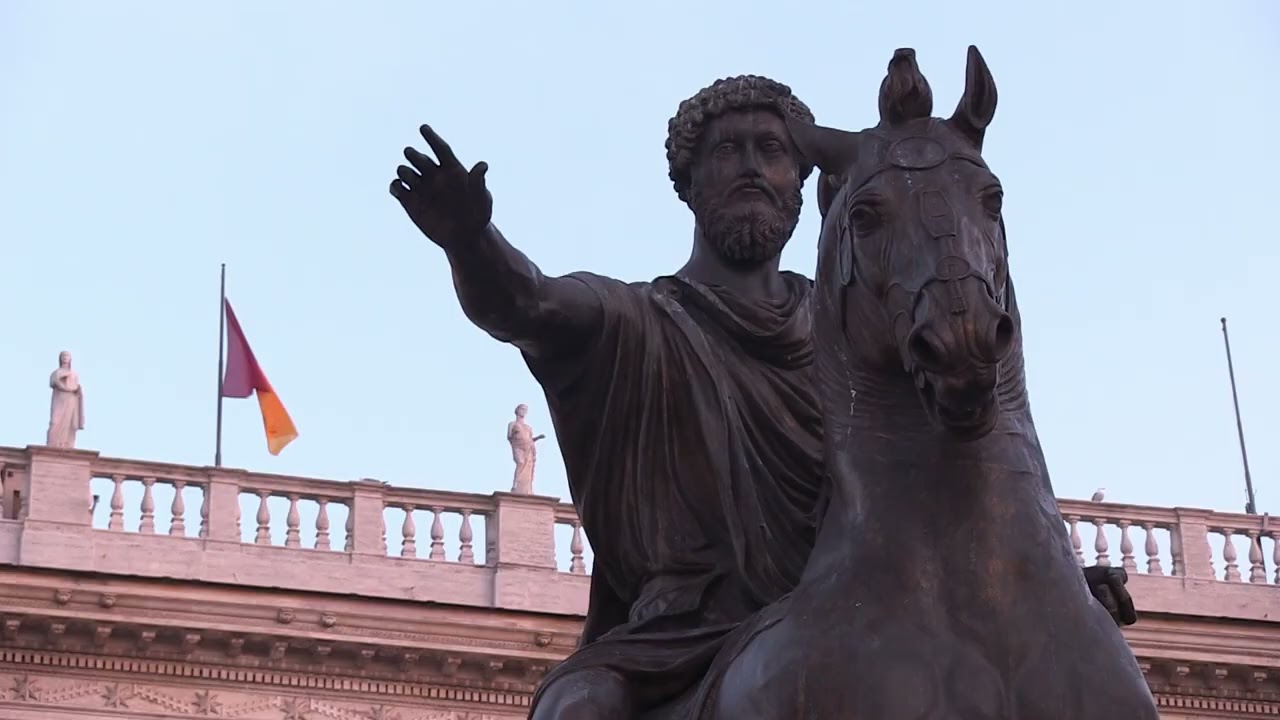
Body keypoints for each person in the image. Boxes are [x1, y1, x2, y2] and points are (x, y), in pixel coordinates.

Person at [390, 75, 1135, 720]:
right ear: (689, 180)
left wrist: (1043, 577)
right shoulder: (636, 319)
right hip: (681, 631)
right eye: (728, 150)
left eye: (773, 151)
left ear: (802, 186)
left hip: (864, 602)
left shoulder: (863, 332)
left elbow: (955, 473)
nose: (752, 166)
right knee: (577, 708)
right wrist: (468, 240)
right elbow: (527, 304)